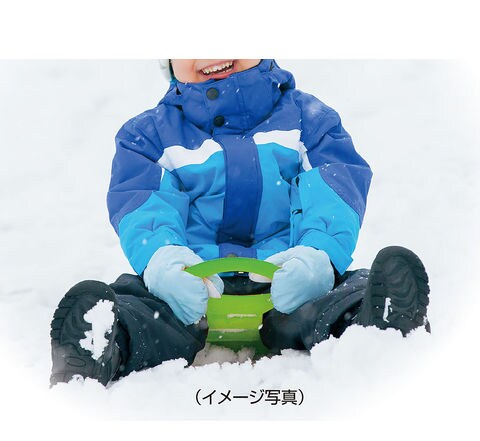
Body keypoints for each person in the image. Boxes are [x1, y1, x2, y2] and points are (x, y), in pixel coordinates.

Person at [50, 59, 430, 387]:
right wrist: (163, 260)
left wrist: (319, 255)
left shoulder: (309, 121)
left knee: (346, 293)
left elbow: (333, 186)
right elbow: (144, 201)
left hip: (290, 283)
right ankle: (103, 344)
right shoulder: (147, 137)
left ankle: (378, 325)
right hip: (190, 290)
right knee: (137, 305)